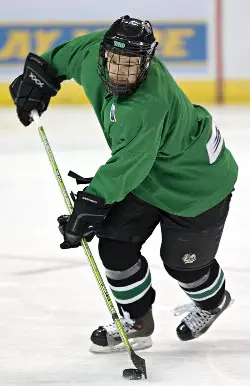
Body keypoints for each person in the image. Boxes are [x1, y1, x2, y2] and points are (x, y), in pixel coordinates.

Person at [9, 15, 238, 353]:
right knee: (115, 245)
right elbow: (59, 60)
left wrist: (93, 201)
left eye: (132, 65)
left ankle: (214, 301)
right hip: (148, 174)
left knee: (184, 266)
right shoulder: (91, 54)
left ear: (147, 62)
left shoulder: (147, 103)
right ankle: (137, 323)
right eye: (115, 61)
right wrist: (40, 79)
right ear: (103, 54)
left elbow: (130, 163)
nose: (121, 72)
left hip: (197, 183)